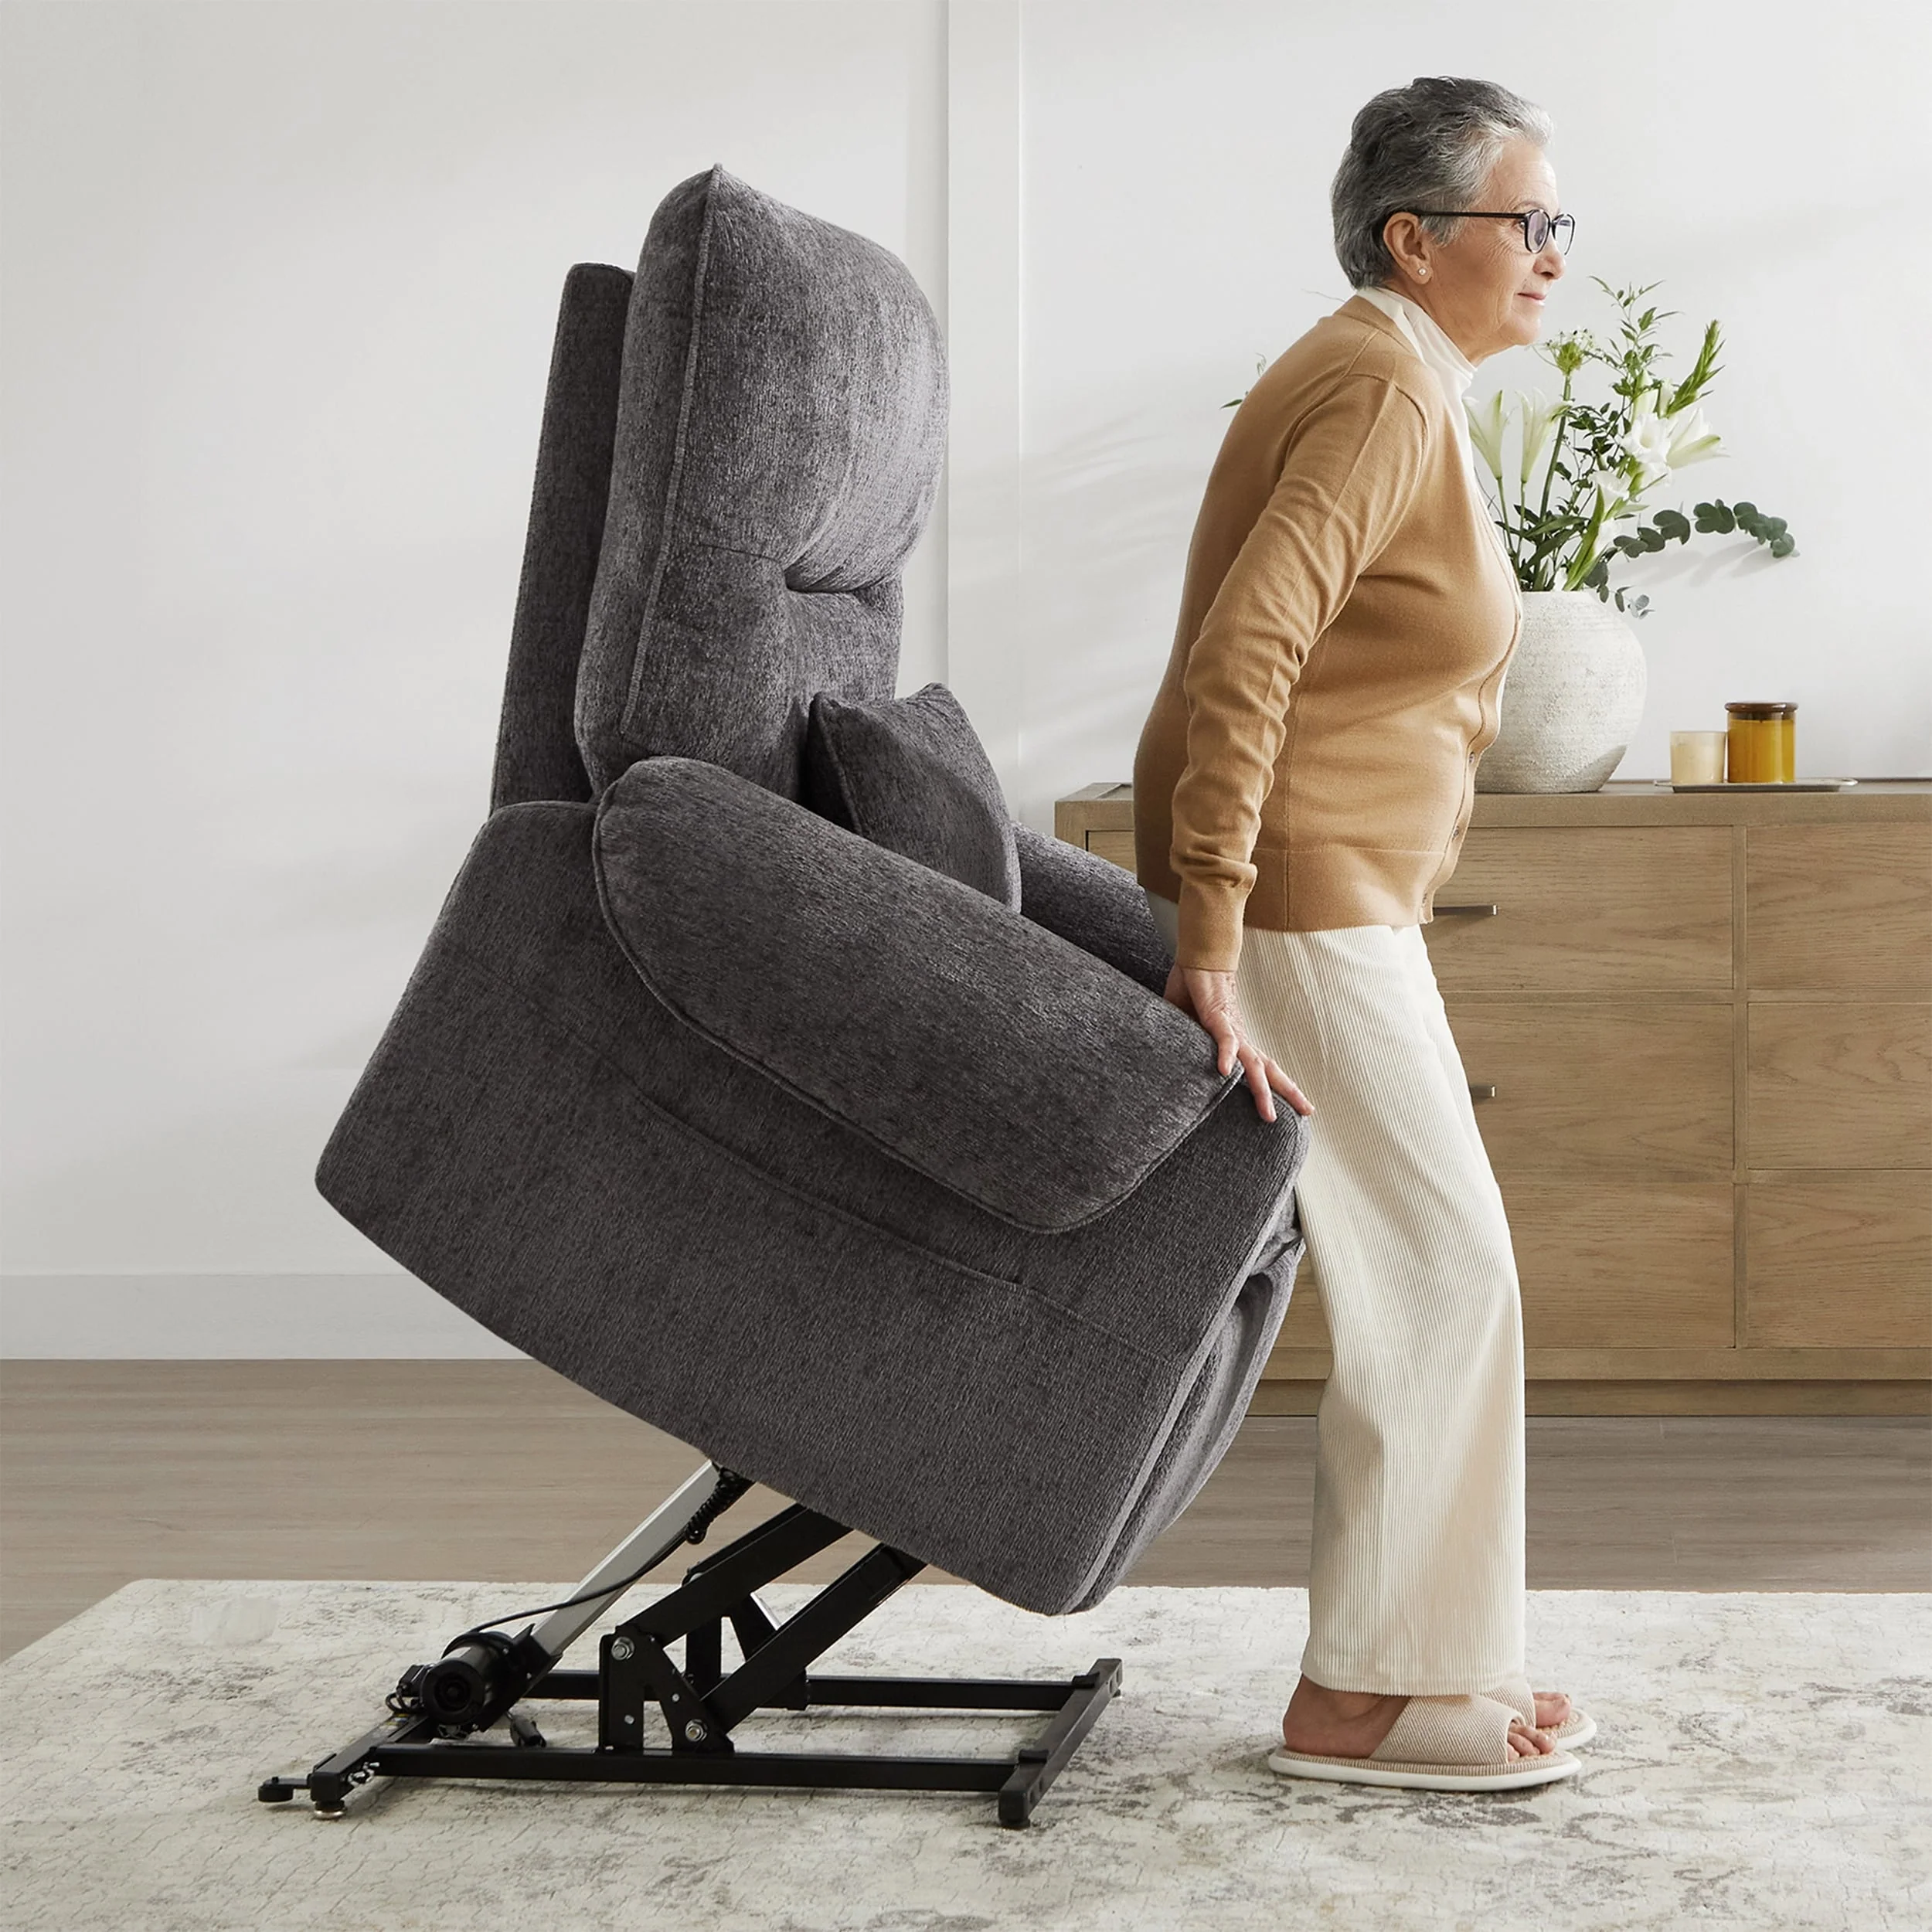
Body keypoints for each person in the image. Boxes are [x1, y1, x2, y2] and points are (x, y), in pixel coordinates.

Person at [1133, 76, 1594, 1791]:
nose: (1549, 253)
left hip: (1325, 890)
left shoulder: (1389, 373)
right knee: (1443, 1272)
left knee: (1427, 1274)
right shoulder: (1384, 385)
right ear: (1416, 239)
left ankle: (1414, 1669)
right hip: (1298, 894)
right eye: (1521, 222)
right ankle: (1373, 1695)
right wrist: (1207, 920)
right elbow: (1247, 650)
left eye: (1558, 224)